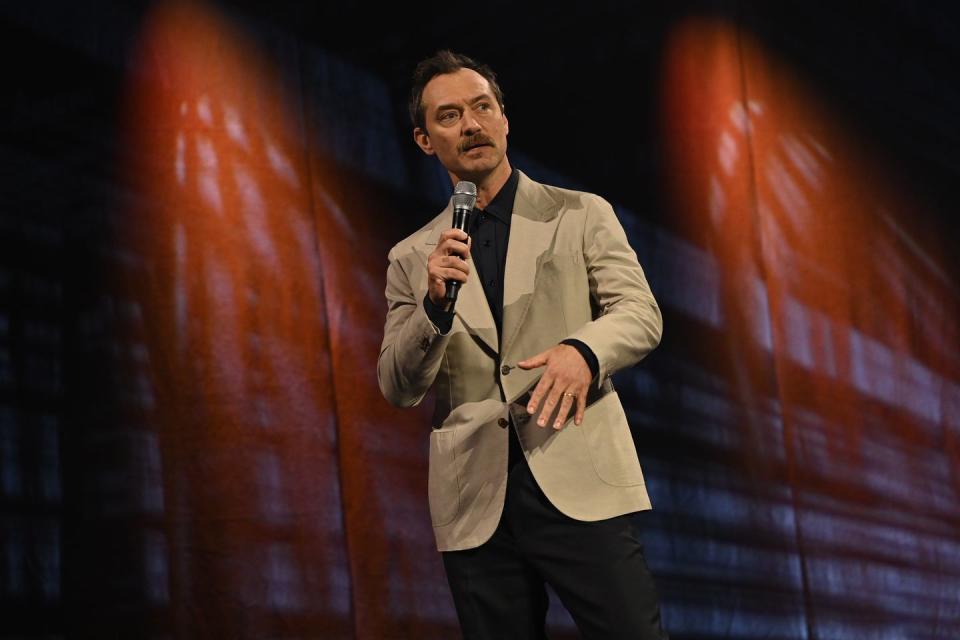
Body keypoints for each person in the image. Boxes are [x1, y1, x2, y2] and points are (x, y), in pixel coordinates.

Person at [377, 50, 668, 639]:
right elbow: (397, 386)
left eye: (483, 107)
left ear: (505, 118)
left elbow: (640, 313)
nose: (472, 125)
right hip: (475, 500)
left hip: (576, 473)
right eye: (450, 115)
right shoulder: (412, 258)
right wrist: (434, 306)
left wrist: (583, 353)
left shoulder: (579, 214)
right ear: (425, 140)